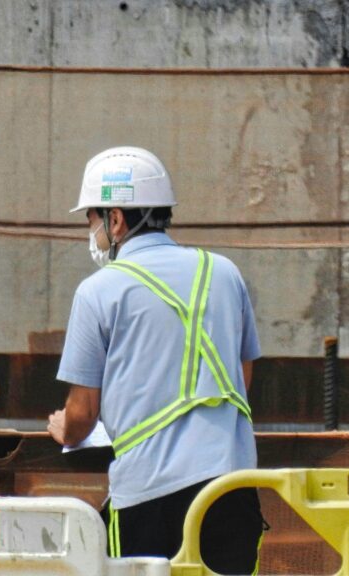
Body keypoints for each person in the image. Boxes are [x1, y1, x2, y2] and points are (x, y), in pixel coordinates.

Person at [47, 147, 264, 572]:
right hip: (232, 484)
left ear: (116, 219)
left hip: (148, 492)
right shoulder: (224, 272)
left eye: (92, 219)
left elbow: (84, 412)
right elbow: (243, 374)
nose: (92, 232)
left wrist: (65, 428)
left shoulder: (97, 291)